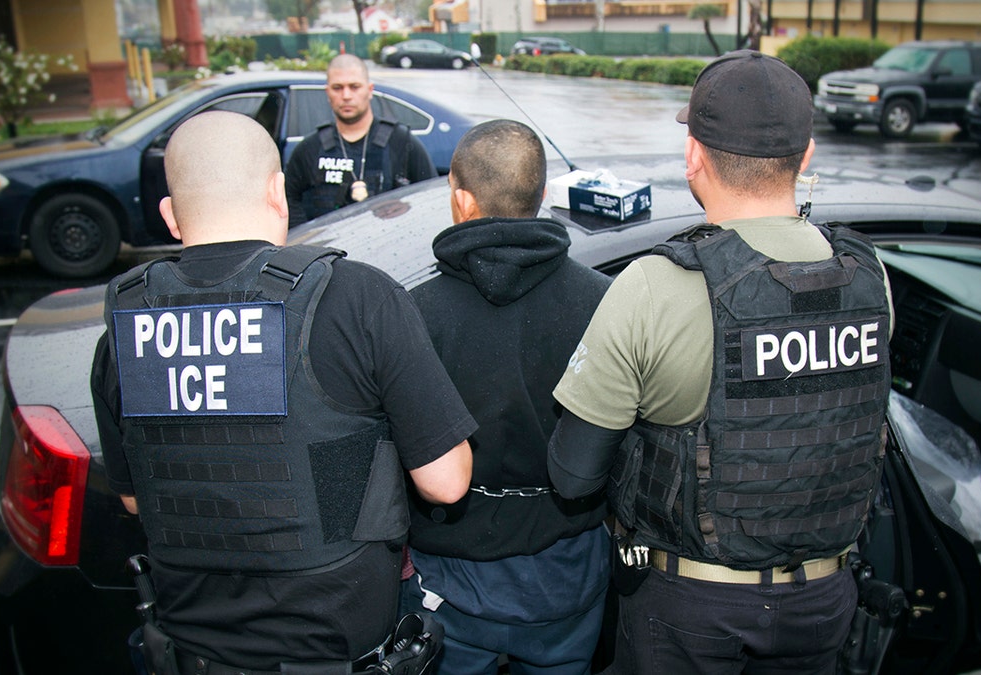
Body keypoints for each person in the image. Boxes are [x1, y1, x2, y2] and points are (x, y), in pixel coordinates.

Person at [90, 110, 476, 675]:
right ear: (278, 193)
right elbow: (446, 482)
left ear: (170, 216)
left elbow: (134, 500)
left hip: (192, 653)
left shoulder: (126, 331)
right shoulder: (356, 299)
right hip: (337, 651)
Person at [547, 50, 895, 674]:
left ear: (693, 156)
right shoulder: (872, 280)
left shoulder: (654, 285)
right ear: (806, 157)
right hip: (825, 602)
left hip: (691, 612)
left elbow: (574, 476)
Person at [401, 119, 613, 674]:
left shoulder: (413, 314)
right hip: (568, 576)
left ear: (462, 200)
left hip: (448, 582)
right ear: (540, 196)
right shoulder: (606, 303)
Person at [284, 54, 437, 226]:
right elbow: (288, 201)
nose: (346, 95)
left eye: (354, 87)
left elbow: (430, 199)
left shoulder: (401, 143)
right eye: (337, 88)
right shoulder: (310, 149)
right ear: (328, 93)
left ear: (369, 90)